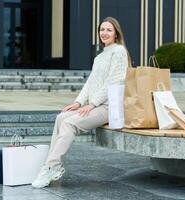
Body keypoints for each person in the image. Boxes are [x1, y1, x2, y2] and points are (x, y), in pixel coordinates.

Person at [32, 16, 131, 188]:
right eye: (102, 29)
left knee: (70, 124)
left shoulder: (119, 51)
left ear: (116, 34)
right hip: (95, 105)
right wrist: (78, 102)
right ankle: (53, 166)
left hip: (109, 106)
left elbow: (114, 82)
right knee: (61, 117)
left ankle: (51, 166)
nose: (104, 33)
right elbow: (90, 83)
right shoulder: (100, 56)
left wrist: (92, 104)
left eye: (109, 30)